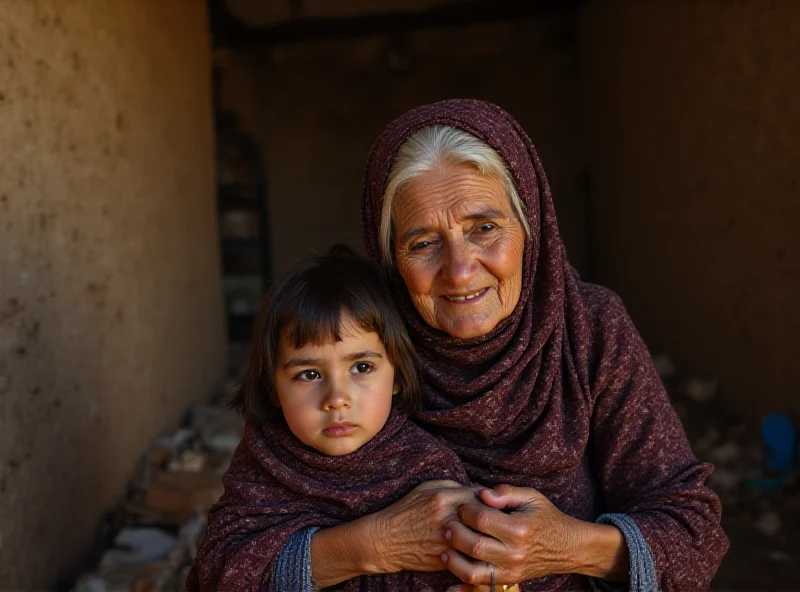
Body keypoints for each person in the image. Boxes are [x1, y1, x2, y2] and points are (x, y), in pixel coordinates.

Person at [277, 100, 729, 591]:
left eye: (484, 228)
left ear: (530, 224)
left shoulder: (589, 329)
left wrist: (570, 546)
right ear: (389, 256)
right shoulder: (358, 347)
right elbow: (225, 561)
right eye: (423, 243)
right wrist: (369, 546)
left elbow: (695, 538)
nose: (461, 269)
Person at [186, 252, 478, 591]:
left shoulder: (426, 467)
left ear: (396, 374)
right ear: (273, 388)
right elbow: (221, 569)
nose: (337, 398)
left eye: (362, 368)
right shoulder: (264, 461)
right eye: (309, 374)